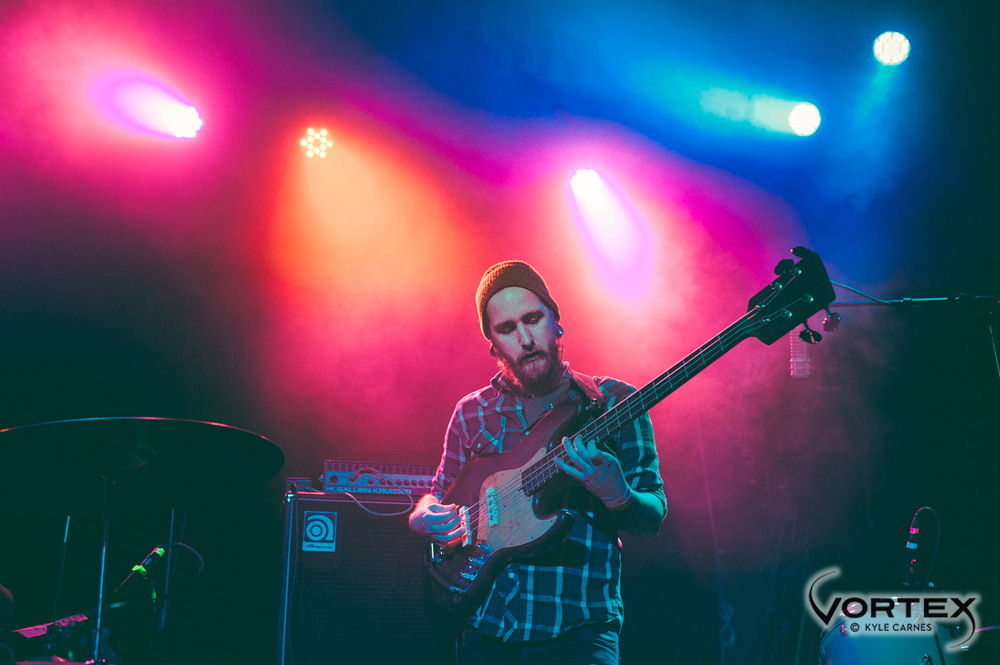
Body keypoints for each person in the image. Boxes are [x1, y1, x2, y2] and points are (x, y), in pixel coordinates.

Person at [410, 260, 667, 664]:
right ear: (494, 345)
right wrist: (423, 514)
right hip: (487, 630)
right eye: (507, 328)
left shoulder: (614, 402)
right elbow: (440, 495)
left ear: (556, 321)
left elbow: (651, 518)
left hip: (579, 632)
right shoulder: (471, 412)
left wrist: (618, 495)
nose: (526, 338)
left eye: (533, 319)